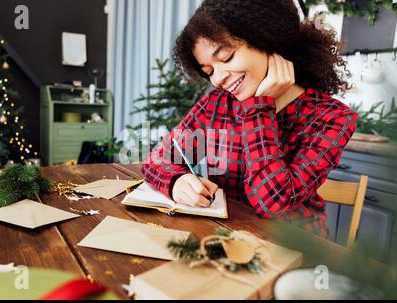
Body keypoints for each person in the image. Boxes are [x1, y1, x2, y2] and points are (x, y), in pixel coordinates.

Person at [141, 0, 357, 238]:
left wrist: (258, 110)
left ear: (266, 39)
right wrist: (176, 182)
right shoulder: (216, 106)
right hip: (226, 238)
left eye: (226, 57)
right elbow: (157, 160)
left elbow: (272, 203)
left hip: (294, 248)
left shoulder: (332, 117)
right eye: (209, 71)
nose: (218, 79)